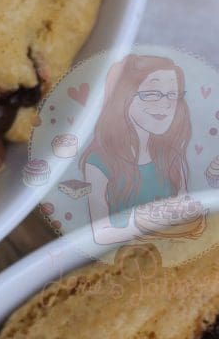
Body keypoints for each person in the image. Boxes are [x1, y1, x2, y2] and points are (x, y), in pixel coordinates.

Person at [81, 53, 193, 246]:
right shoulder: (99, 163)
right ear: (124, 95)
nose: (165, 104)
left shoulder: (170, 156)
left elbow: (185, 214)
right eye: (151, 94)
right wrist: (147, 221)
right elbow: (99, 234)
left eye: (172, 95)